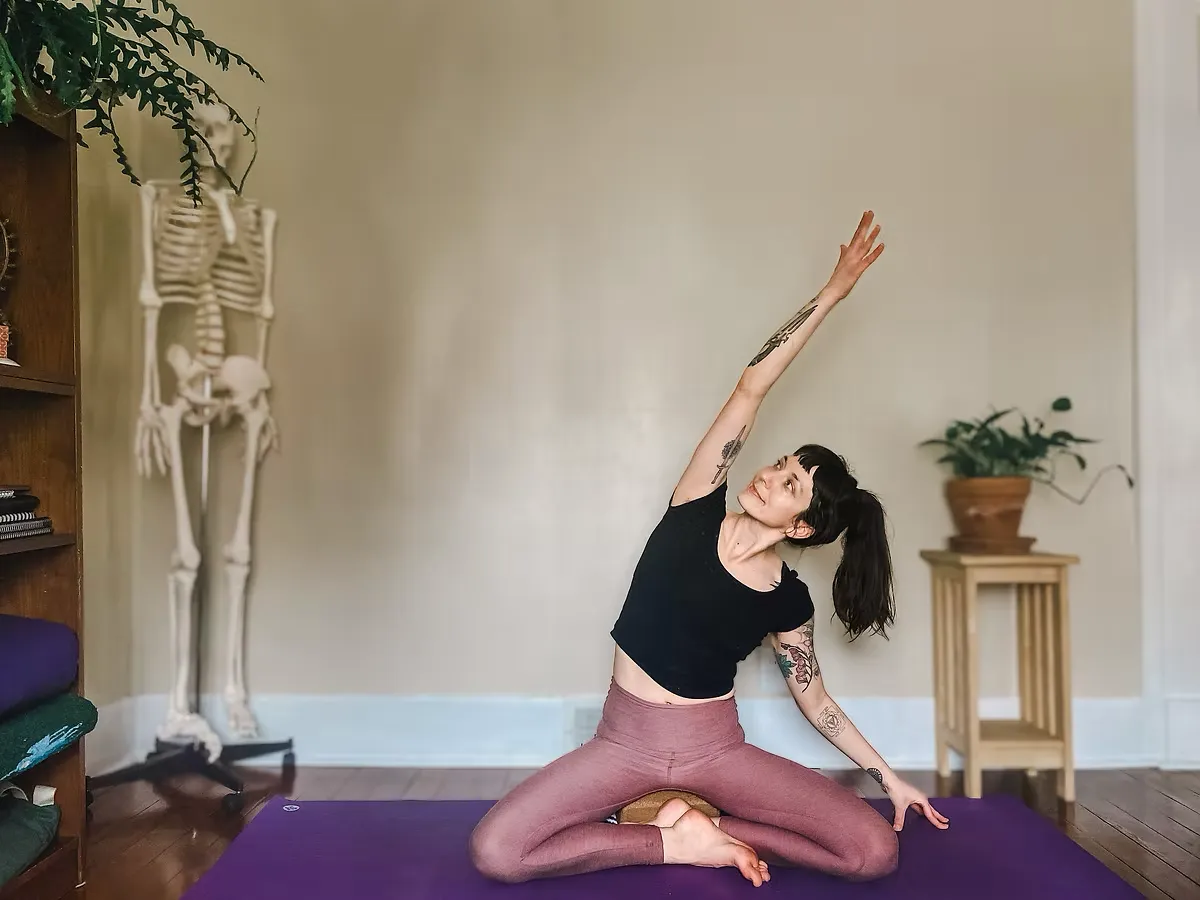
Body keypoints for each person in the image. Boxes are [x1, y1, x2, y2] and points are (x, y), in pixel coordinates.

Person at [469, 211, 949, 889]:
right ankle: (678, 840)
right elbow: (752, 386)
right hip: (623, 741)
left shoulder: (787, 598)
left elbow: (816, 699)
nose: (769, 476)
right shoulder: (697, 503)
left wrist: (888, 777)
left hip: (715, 749)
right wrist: (830, 294)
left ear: (801, 528)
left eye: (788, 485)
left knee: (873, 852)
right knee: (496, 851)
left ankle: (707, 825)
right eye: (780, 463)